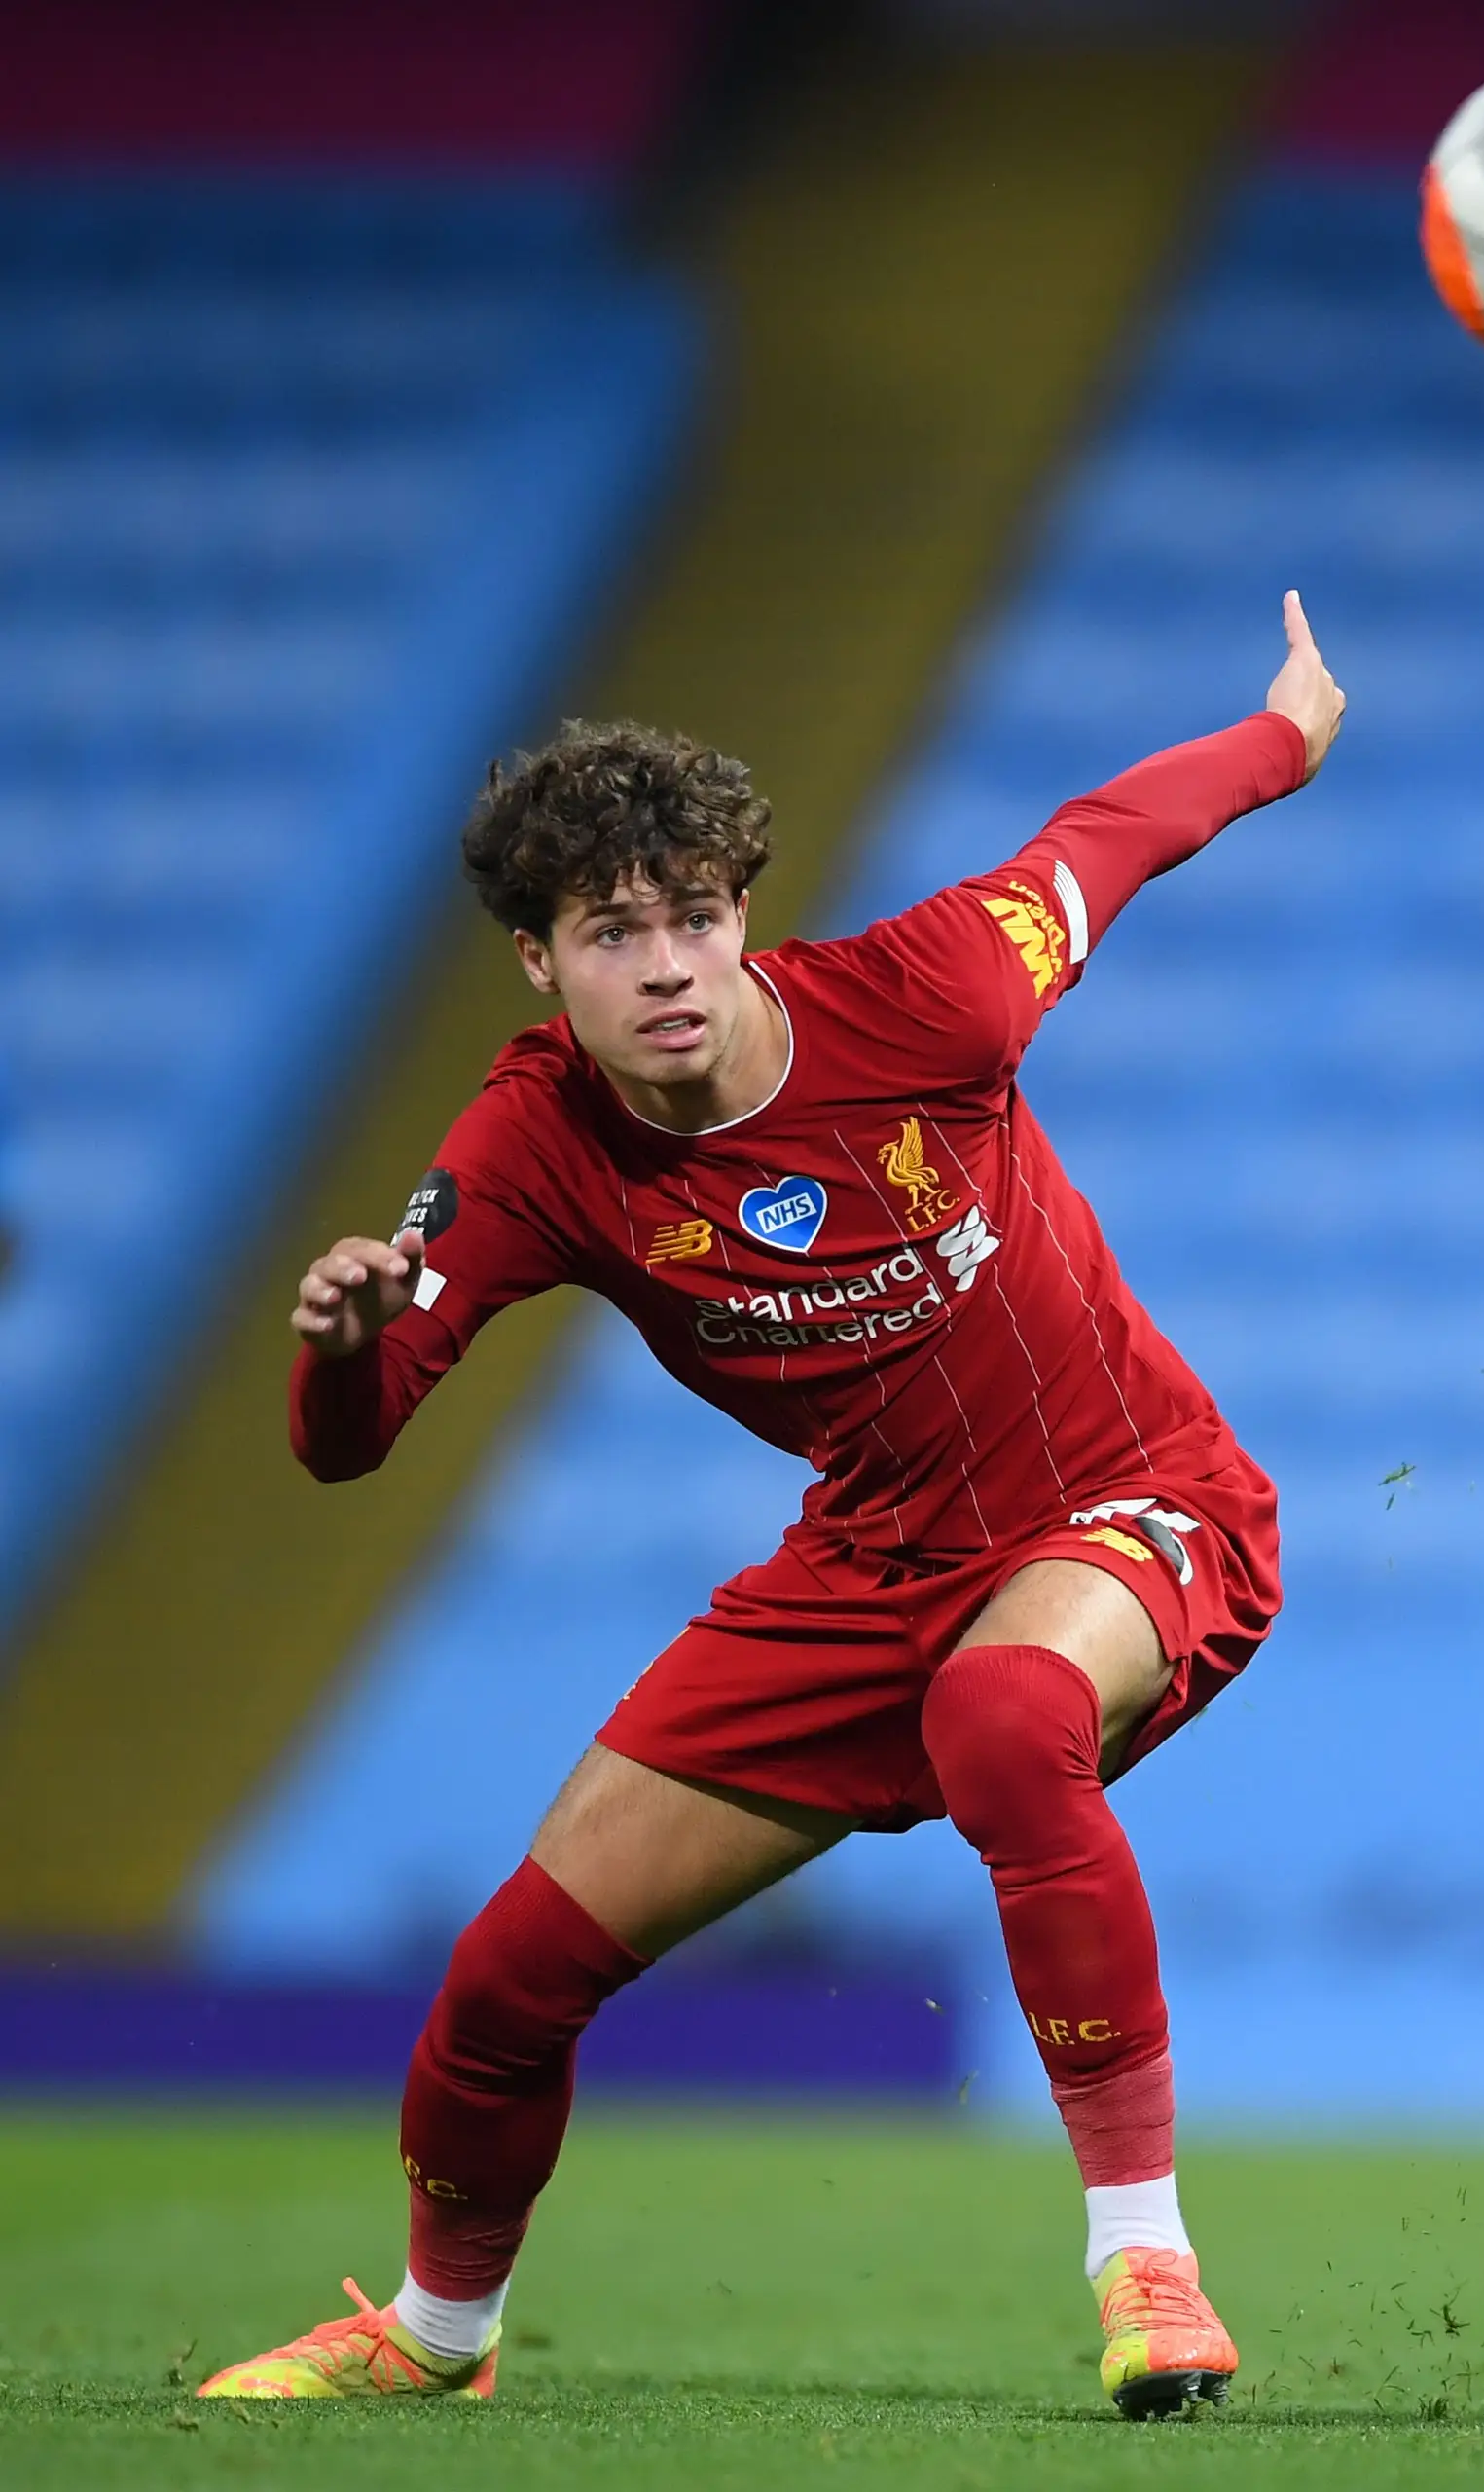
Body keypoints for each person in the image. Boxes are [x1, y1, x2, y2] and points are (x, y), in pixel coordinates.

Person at [198, 597, 1348, 2418]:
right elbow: (351, 1440)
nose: (667, 966)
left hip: (1133, 1501)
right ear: (536, 960)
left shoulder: (930, 997)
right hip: (872, 1567)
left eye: (695, 917)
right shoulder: (530, 1148)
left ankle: (1149, 2264)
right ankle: (435, 2338)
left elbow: (1109, 839)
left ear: (741, 909)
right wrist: (340, 1346)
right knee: (505, 1981)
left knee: (1006, 1705)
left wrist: (1284, 732)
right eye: (612, 932)